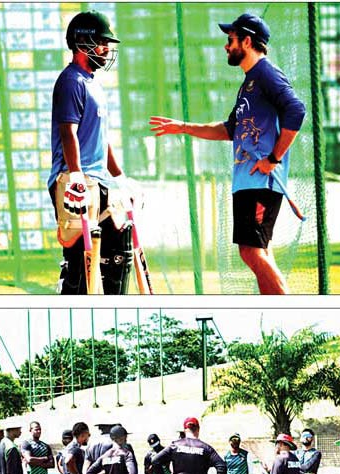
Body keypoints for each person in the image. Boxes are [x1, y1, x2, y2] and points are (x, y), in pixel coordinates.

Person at [149, 13, 307, 294]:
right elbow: (229, 129)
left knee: (251, 252)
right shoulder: (249, 84)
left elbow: (296, 110)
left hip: (261, 181)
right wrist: (183, 127)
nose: (226, 46)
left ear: (247, 41)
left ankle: (288, 309)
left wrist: (273, 159)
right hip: (248, 181)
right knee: (258, 252)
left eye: (230, 39)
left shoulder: (265, 74)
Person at [49, 10, 142, 295]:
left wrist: (120, 177)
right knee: (80, 260)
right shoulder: (71, 81)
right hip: (75, 182)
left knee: (118, 250)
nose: (106, 49)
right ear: (83, 42)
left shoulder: (94, 84)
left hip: (99, 182)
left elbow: (103, 140)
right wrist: (75, 173)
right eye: (101, 42)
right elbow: (69, 133)